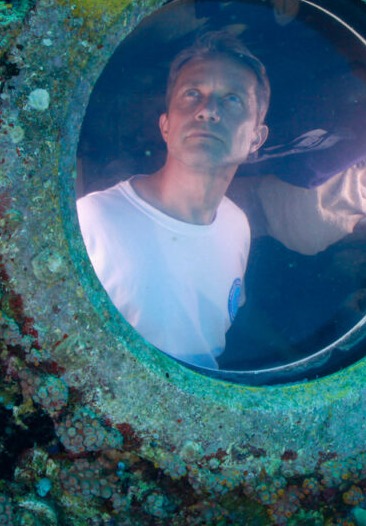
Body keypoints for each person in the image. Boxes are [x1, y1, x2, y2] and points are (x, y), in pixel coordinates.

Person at [76, 31, 270, 368]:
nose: (208, 110)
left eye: (232, 99)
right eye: (192, 94)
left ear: (256, 138)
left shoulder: (237, 224)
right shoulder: (92, 220)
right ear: (165, 125)